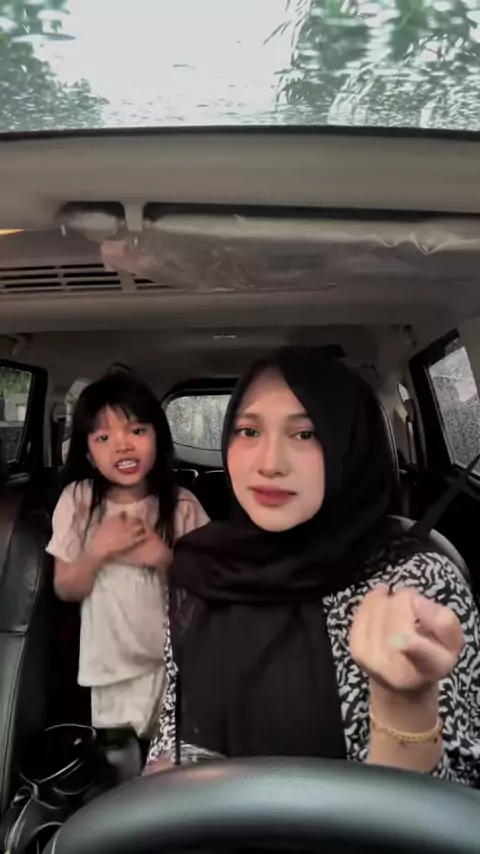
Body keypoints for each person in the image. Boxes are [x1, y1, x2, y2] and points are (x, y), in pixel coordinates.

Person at [146, 346, 480, 783]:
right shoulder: (199, 568)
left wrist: (406, 705)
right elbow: (176, 725)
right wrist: (161, 780)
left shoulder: (417, 581)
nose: (269, 464)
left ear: (350, 446)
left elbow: (456, 799)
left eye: (306, 434)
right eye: (248, 431)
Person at [47, 369, 209, 739]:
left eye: (136, 431)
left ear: (158, 437)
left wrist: (166, 560)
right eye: (103, 437)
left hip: (177, 669)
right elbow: (65, 587)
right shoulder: (78, 500)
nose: (122, 446)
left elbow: (208, 591)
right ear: (88, 453)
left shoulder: (183, 505)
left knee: (178, 763)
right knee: (121, 766)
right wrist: (98, 550)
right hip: (110, 675)